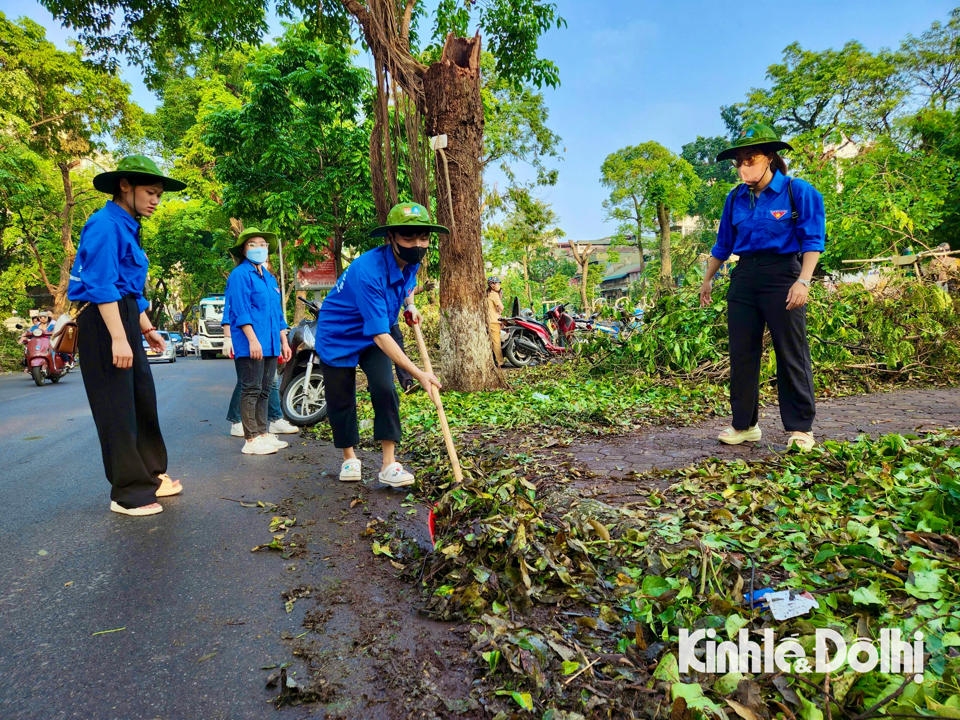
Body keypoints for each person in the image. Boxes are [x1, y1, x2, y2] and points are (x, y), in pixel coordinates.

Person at [66, 155, 186, 516]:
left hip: (126, 315)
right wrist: (119, 336)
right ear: (125, 186)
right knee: (117, 407)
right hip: (105, 322)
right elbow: (101, 285)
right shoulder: (104, 224)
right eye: (150, 192)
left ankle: (151, 474)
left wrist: (146, 327)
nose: (155, 201)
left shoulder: (128, 224)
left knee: (141, 400)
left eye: (159, 195)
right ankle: (128, 493)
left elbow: (130, 287)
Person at [699, 124, 825, 453]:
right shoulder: (735, 198)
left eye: (749, 159)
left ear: (769, 157)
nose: (743, 167)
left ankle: (801, 429)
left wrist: (803, 281)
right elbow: (723, 243)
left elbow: (813, 240)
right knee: (742, 353)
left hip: (783, 275)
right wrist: (708, 278)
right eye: (738, 161)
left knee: (790, 351)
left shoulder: (798, 191)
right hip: (744, 277)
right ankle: (744, 425)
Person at [315, 201, 443, 487]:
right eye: (408, 237)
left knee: (385, 389)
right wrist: (420, 374)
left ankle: (389, 463)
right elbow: (381, 336)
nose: (417, 244)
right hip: (338, 335)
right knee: (342, 398)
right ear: (391, 239)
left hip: (373, 331)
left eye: (423, 237)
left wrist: (410, 305)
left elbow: (406, 284)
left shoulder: (412, 261)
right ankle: (349, 458)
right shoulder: (368, 270)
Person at [223, 227, 292, 455]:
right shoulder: (240, 275)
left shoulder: (269, 277)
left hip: (271, 342)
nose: (259, 248)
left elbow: (277, 314)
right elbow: (240, 311)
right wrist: (252, 340)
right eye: (253, 244)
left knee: (265, 389)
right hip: (252, 343)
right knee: (251, 389)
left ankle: (263, 433)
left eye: (262, 244)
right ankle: (251, 439)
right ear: (244, 250)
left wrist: (284, 341)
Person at [222, 309, 298, 437]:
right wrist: (227, 338)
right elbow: (234, 310)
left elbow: (276, 315)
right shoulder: (240, 288)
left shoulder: (272, 288)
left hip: (267, 342)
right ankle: (238, 422)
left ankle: (273, 421)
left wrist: (282, 342)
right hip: (247, 341)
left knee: (270, 383)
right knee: (247, 384)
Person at [390, 279, 435, 393]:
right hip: (376, 322)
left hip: (392, 322)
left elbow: (407, 290)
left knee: (399, 350)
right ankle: (377, 385)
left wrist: (410, 306)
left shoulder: (406, 272)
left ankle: (408, 383)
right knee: (378, 352)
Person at [486, 276, 504, 366]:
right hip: (494, 321)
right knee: (497, 343)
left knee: (491, 342)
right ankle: (500, 362)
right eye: (497, 283)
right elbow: (502, 307)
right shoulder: (494, 294)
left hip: (489, 321)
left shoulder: (487, 294)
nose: (499, 285)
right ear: (492, 285)